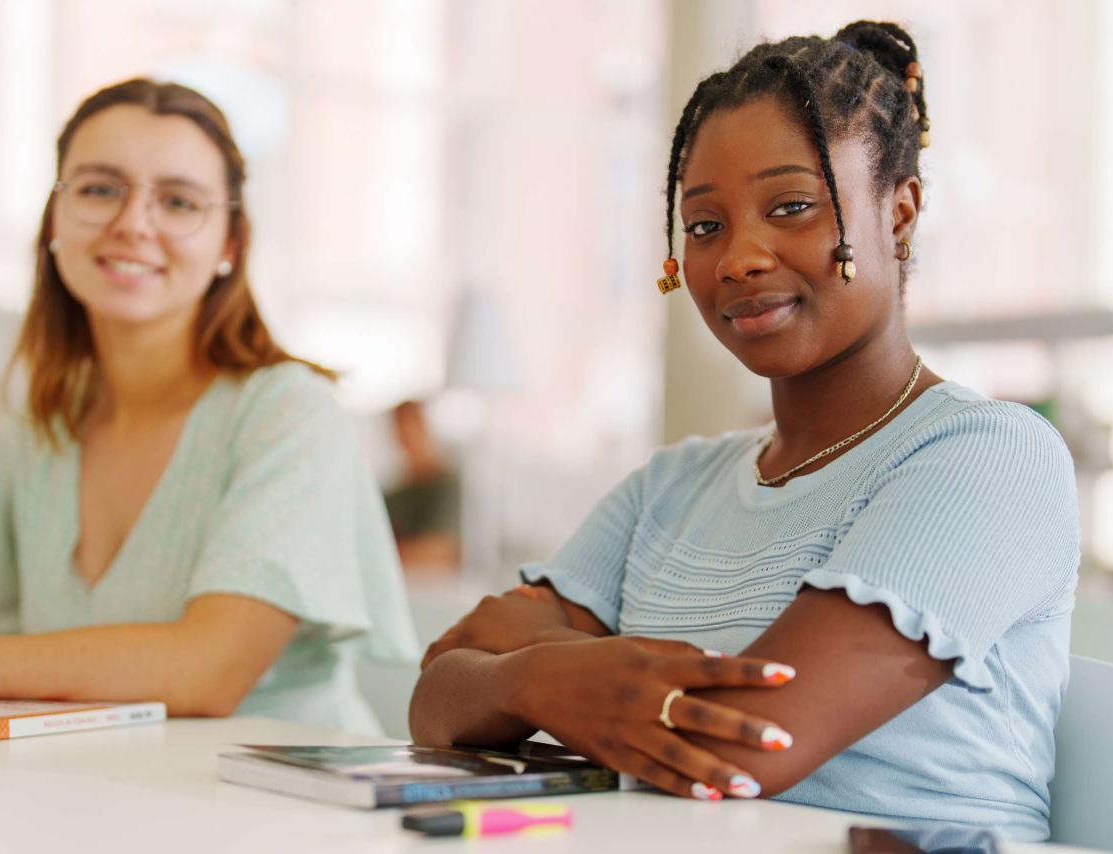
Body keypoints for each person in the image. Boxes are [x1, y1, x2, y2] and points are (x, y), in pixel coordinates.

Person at [409, 21, 1077, 841]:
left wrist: (523, 677)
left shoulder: (986, 456)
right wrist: (548, 678)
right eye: (704, 225)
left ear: (899, 215)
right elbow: (438, 693)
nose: (738, 258)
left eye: (791, 206)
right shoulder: (673, 484)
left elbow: (747, 747)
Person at [0, 79, 418, 733]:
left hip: (283, 819)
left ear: (230, 243)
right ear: (54, 221)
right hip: (95, 800)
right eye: (98, 189)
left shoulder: (291, 414)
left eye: (178, 201)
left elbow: (207, 670)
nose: (133, 223)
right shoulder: (42, 429)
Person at [382, 400, 461, 571]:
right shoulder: (397, 491)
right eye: (398, 431)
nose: (402, 439)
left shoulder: (447, 485)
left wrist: (387, 551)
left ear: (424, 427)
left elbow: (441, 551)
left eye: (407, 430)